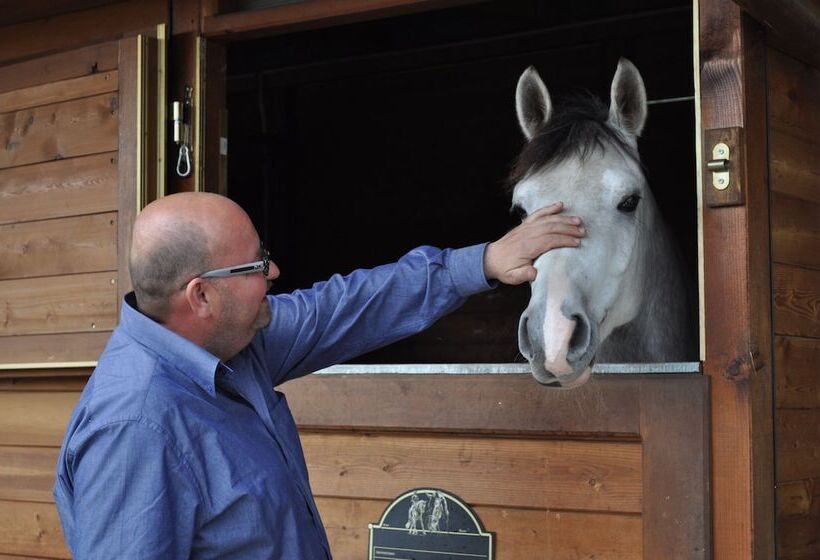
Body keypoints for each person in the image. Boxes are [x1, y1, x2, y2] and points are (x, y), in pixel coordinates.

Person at [54, 192, 584, 559]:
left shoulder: (236, 342)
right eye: (255, 264)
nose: (274, 272)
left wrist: (483, 262)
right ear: (201, 295)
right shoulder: (136, 431)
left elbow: (344, 307)